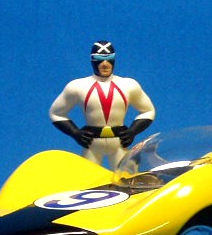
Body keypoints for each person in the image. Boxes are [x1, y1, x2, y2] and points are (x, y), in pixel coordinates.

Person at [49, 40, 156, 168]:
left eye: (109, 59)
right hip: (92, 143)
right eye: (99, 59)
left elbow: (148, 111)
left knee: (125, 176)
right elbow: (56, 113)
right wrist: (75, 132)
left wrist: (133, 131)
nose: (105, 64)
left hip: (119, 142)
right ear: (92, 60)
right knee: (89, 177)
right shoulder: (77, 86)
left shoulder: (129, 85)